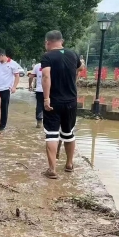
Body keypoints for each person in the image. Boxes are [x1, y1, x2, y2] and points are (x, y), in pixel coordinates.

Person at [41, 30, 82, 179]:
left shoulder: (47, 56)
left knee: (52, 133)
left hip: (54, 100)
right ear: (62, 41)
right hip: (71, 101)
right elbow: (80, 67)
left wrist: (46, 99)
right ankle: (69, 164)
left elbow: (46, 76)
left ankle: (52, 169)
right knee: (68, 132)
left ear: (48, 42)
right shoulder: (73, 54)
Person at [0, 48, 20, 131]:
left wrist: (14, 87)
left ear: (2, 55)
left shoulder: (13, 64)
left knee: (4, 108)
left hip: (5, 89)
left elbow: (17, 76)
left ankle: (2, 126)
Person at [31, 62, 44, 128]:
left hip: (39, 90)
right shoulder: (54, 63)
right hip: (52, 90)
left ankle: (39, 121)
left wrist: (30, 85)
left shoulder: (37, 66)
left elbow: (31, 76)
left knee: (39, 105)